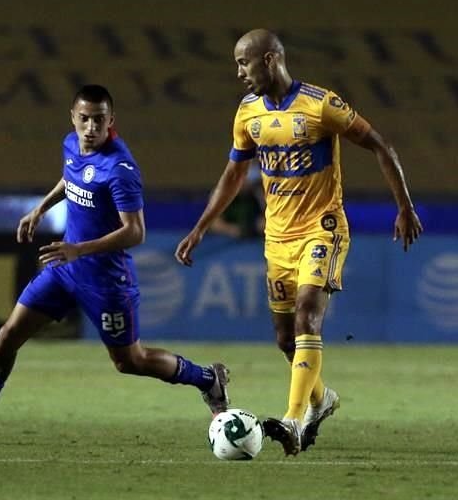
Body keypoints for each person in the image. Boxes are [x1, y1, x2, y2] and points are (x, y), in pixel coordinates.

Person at [175, 29, 423, 456]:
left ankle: (291, 421)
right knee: (285, 340)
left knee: (308, 316)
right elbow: (234, 173)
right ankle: (321, 399)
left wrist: (404, 206)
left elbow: (380, 145)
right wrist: (200, 226)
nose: (238, 73)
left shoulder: (321, 105)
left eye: (243, 62)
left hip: (321, 228)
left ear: (270, 60)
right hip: (277, 239)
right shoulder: (247, 113)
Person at [0, 85, 229, 440]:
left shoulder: (120, 169)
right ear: (73, 118)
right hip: (65, 269)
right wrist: (40, 208)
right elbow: (70, 177)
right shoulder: (71, 144)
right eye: (84, 119)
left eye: (99, 120)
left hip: (105, 279)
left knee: (129, 362)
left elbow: (135, 232)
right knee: (7, 336)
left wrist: (80, 249)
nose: (90, 127)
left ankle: (207, 378)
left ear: (111, 121)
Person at [209, 161, 265, 239]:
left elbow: (266, 221)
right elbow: (214, 224)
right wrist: (231, 229)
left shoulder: (257, 193)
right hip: (226, 241)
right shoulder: (222, 193)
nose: (249, 185)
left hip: (252, 240)